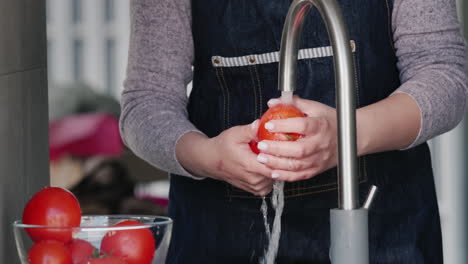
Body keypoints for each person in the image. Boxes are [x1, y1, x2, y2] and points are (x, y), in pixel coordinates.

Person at [120, 0, 468, 262]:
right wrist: (208, 157)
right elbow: (146, 101)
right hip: (221, 238)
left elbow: (445, 77)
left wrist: (347, 135)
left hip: (385, 234)